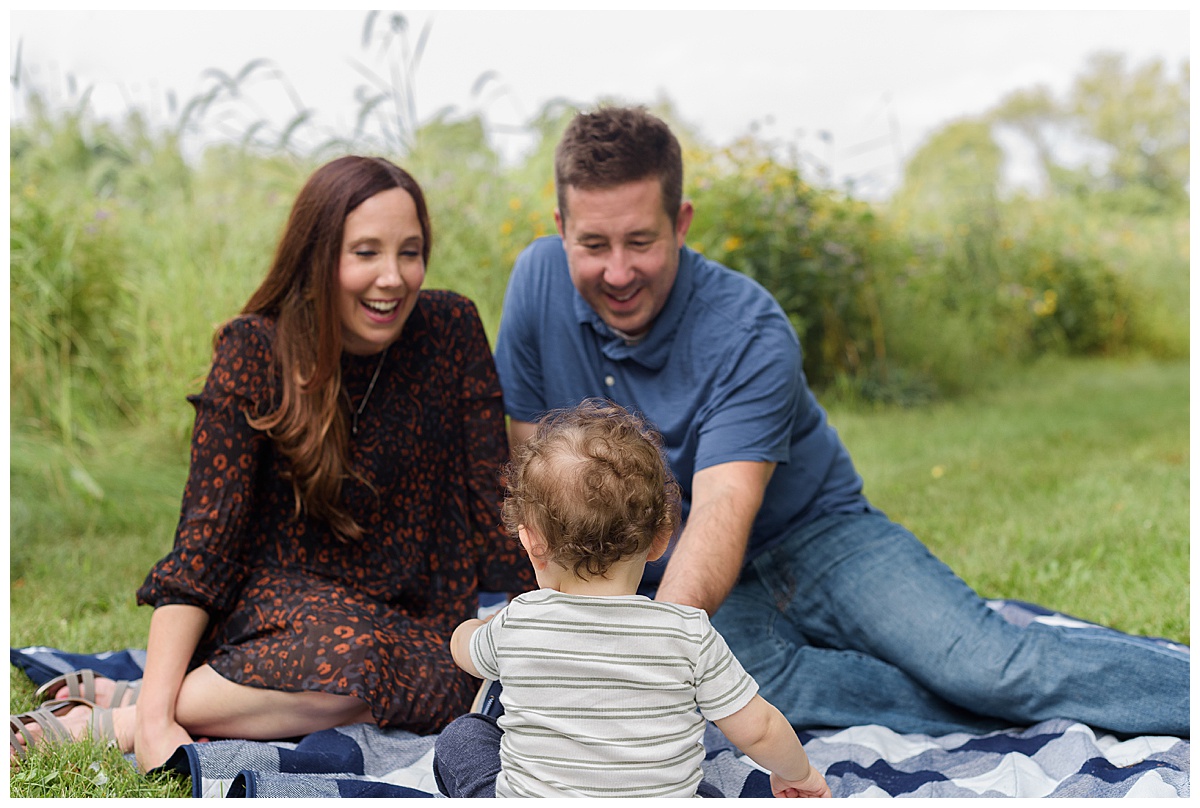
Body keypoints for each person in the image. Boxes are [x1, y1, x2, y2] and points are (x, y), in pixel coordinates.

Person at [491, 105, 1190, 738]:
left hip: (816, 535)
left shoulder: (748, 328)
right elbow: (540, 469)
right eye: (593, 245)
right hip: (678, 565)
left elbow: (725, 504)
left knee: (988, 668)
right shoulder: (536, 282)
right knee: (733, 693)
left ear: (682, 223)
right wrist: (579, 631)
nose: (617, 272)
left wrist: (659, 642)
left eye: (640, 242)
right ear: (560, 229)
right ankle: (969, 712)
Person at [11, 156, 534, 770]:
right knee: (358, 657)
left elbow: (489, 494)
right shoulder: (254, 349)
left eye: (410, 251)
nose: (393, 277)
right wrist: (156, 727)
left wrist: (547, 610)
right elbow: (204, 543)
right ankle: (127, 722)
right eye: (365, 253)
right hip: (276, 608)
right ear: (317, 257)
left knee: (460, 680)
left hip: (416, 615)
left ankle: (147, 702)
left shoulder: (451, 328)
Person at [432, 400, 831, 798]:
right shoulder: (688, 633)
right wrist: (801, 775)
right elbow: (759, 728)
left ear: (532, 542)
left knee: (465, 736)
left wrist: (474, 629)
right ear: (661, 539)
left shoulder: (519, 621)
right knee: (701, 789)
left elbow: (465, 651)